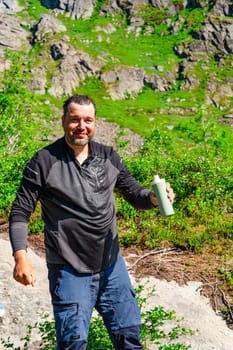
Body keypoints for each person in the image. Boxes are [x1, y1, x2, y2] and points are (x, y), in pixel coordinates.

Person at [9, 94, 175, 350]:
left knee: (129, 340)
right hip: (69, 270)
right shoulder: (43, 161)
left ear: (95, 123)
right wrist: (21, 257)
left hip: (112, 267)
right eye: (75, 119)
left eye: (88, 120)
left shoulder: (108, 156)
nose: (81, 126)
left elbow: (134, 194)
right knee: (73, 344)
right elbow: (20, 211)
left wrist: (153, 198)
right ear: (64, 120)